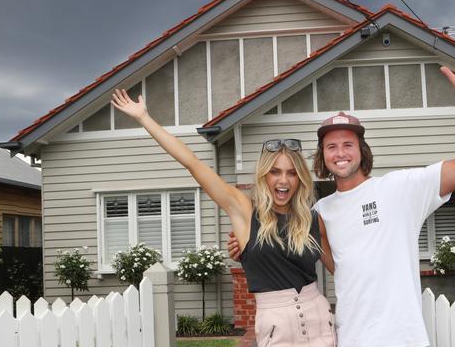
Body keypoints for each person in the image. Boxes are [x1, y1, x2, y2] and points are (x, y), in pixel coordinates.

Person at [229, 64, 455, 346]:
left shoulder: (400, 189)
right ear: (322, 156)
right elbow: (299, 256)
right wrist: (247, 247)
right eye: (331, 146)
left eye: (347, 144)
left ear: (361, 150)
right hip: (351, 337)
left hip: (403, 338)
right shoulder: (319, 214)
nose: (340, 153)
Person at [111, 89, 336, 346]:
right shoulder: (244, 209)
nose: (283, 180)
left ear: (300, 179)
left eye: (291, 173)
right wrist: (144, 118)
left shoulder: (312, 219)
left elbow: (342, 270)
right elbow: (193, 163)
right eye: (275, 172)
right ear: (264, 176)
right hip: (276, 323)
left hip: (318, 316)